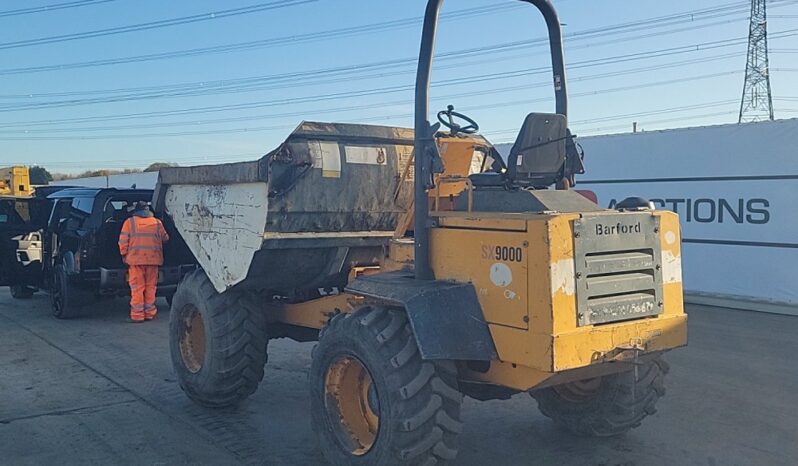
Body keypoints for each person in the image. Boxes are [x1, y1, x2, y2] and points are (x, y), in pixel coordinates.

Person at [118, 201, 169, 323]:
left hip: (136, 261)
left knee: (137, 288)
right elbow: (166, 238)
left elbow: (123, 242)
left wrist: (124, 256)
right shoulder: (157, 222)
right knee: (151, 287)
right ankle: (149, 313)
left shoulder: (129, 223)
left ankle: (137, 315)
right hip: (153, 261)